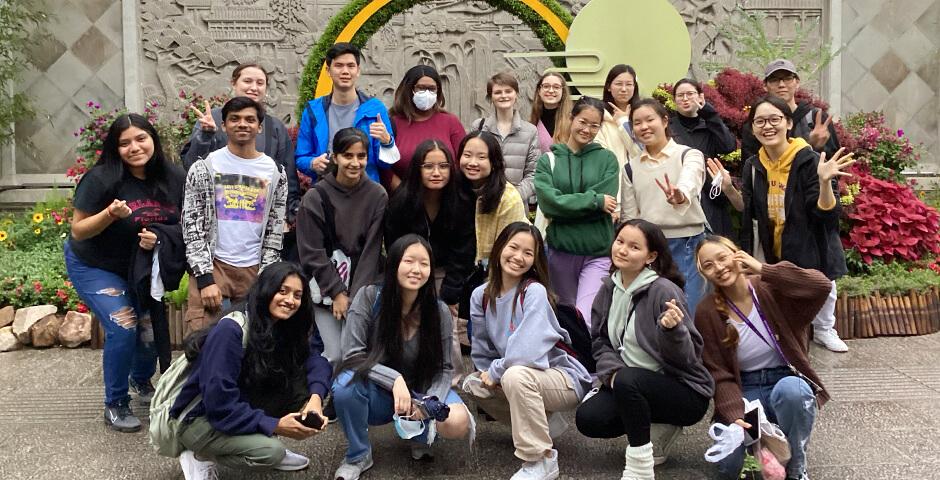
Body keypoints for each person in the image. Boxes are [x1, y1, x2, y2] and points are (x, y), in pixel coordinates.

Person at [65, 113, 186, 432]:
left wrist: (161, 237)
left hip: (142, 267)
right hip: (96, 265)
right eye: (125, 142)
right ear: (115, 148)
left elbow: (184, 223)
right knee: (124, 326)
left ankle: (140, 379)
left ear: (153, 140)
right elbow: (78, 231)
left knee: (147, 331)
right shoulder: (102, 178)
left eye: (141, 138)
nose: (135, 147)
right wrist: (109, 214)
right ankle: (115, 403)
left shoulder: (174, 176)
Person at [575, 219, 713, 480]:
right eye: (620, 242)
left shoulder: (663, 291)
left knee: (629, 379)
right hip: (630, 383)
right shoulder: (609, 288)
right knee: (588, 418)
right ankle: (651, 424)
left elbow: (689, 357)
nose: (623, 250)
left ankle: (639, 467)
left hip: (683, 390)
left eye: (634, 247)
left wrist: (673, 331)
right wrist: (612, 373)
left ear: (650, 256)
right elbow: (601, 342)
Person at [171, 262, 331, 479]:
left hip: (238, 401)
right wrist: (276, 425)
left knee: (300, 383)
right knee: (270, 453)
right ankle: (200, 454)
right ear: (266, 290)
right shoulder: (231, 330)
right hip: (200, 419)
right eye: (282, 291)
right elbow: (219, 404)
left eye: (297, 295)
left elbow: (315, 360)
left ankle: (254, 439)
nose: (289, 300)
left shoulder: (285, 325)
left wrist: (315, 399)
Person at [331, 235, 472, 480]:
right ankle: (358, 454)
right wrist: (395, 380)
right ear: (394, 263)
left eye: (424, 263)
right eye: (409, 261)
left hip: (420, 393)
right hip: (379, 394)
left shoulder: (438, 312)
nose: (416, 269)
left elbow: (444, 368)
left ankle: (420, 435)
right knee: (344, 386)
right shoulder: (368, 297)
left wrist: (430, 403)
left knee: (457, 421)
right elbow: (353, 354)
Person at [694, 236, 830, 480]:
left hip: (783, 380)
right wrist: (733, 412)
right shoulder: (707, 311)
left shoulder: (770, 289)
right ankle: (769, 442)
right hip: (745, 391)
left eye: (722, 257)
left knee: (794, 392)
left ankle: (797, 465)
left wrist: (764, 269)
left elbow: (820, 286)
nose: (719, 267)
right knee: (730, 467)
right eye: (708, 265)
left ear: (737, 254)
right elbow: (717, 372)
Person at [466, 222, 592, 480]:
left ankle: (540, 459)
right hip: (521, 374)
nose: (518, 257)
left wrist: (497, 371)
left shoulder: (534, 291)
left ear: (535, 260)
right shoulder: (480, 295)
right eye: (513, 247)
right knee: (473, 383)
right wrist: (486, 372)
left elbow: (527, 352)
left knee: (514, 375)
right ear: (500, 247)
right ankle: (545, 425)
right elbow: (481, 351)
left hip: (562, 377)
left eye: (528, 253)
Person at [741, 95, 855, 353]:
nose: (767, 126)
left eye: (774, 119)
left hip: (808, 237)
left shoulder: (809, 160)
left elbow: (827, 213)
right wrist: (727, 189)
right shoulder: (753, 165)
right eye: (760, 121)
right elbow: (750, 210)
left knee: (821, 283)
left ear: (789, 123)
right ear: (752, 128)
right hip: (775, 239)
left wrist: (825, 182)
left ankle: (825, 330)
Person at [182, 96, 288, 335]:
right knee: (201, 345)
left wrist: (265, 278)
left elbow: (274, 229)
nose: (243, 124)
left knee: (252, 348)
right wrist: (205, 278)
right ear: (224, 125)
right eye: (235, 119)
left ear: (259, 127)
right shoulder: (204, 167)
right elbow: (192, 225)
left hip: (254, 269)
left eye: (250, 119)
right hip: (215, 265)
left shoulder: (275, 173)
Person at [296, 127, 388, 370]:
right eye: (348, 156)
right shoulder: (315, 197)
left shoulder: (377, 195)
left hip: (363, 288)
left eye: (361, 156)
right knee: (335, 355)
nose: (355, 163)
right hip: (325, 289)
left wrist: (356, 299)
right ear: (335, 157)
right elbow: (311, 252)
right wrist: (337, 292)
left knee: (358, 354)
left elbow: (372, 249)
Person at [385, 140, 476, 379]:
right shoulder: (401, 201)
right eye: (429, 166)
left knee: (446, 323)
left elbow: (464, 251)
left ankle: (451, 384)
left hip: (446, 274)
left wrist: (451, 292)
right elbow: (394, 246)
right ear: (417, 168)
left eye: (443, 166)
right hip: (408, 271)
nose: (437, 173)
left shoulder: (462, 200)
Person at [181, 63, 301, 243]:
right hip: (218, 217)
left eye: (260, 83)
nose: (254, 87)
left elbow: (287, 174)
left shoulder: (274, 127)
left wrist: (288, 216)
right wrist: (205, 136)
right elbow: (191, 165)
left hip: (260, 218)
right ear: (234, 83)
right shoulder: (211, 119)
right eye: (248, 81)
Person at [535, 96, 619, 323]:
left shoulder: (607, 159)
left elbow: (608, 198)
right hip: (560, 251)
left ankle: (589, 359)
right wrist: (595, 202)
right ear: (571, 119)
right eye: (583, 122)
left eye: (594, 125)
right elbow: (549, 204)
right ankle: (572, 359)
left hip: (598, 252)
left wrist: (566, 204)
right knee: (564, 316)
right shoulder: (549, 160)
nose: (587, 129)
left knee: (585, 315)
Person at [620, 98, 708, 316]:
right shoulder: (631, 168)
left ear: (665, 121)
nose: (644, 127)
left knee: (687, 311)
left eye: (650, 119)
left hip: (687, 245)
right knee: (653, 312)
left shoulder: (689, 155)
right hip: (649, 250)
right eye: (637, 123)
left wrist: (680, 194)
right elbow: (631, 219)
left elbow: (691, 179)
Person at [294, 42, 399, 183]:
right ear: (328, 70)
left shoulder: (375, 109)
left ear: (358, 70)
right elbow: (301, 157)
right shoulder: (313, 110)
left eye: (351, 66)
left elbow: (385, 164)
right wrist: (312, 163)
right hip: (326, 189)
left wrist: (387, 142)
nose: (345, 71)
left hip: (366, 191)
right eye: (338, 66)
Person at [668, 78, 740, 237]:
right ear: (674, 100)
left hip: (710, 194)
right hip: (683, 192)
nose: (685, 99)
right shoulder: (668, 128)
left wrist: (710, 115)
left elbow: (728, 147)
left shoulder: (710, 123)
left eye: (690, 94)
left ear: (701, 97)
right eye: (680, 95)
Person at [741, 59, 841, 165]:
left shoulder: (816, 118)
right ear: (765, 85)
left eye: (787, 78)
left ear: (797, 82)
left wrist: (818, 147)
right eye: (774, 80)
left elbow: (834, 164)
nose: (781, 84)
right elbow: (750, 167)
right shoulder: (757, 123)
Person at [385, 64, 466, 190]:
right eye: (421, 88)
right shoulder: (392, 123)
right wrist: (402, 194)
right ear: (409, 89)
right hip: (403, 199)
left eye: (432, 88)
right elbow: (384, 166)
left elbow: (462, 161)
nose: (427, 93)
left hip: (445, 199)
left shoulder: (451, 122)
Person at [458, 130, 529, 264]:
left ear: (494, 162)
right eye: (467, 155)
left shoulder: (508, 198)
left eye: (481, 157)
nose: (472, 162)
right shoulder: (454, 188)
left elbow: (507, 251)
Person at [471, 72, 541, 205]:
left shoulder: (530, 131)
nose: (503, 96)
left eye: (508, 91)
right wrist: (486, 194)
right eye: (498, 92)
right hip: (483, 203)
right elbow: (471, 166)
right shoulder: (479, 127)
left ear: (516, 94)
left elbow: (534, 174)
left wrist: (512, 197)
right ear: (490, 97)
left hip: (516, 205)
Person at [594, 64, 643, 204]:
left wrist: (624, 123)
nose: (624, 89)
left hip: (640, 192)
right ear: (609, 87)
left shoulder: (643, 118)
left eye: (629, 84)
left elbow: (642, 153)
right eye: (618, 84)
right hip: (611, 194)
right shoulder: (599, 118)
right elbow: (601, 159)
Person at [529, 72, 572, 153]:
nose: (551, 90)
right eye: (546, 86)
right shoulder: (532, 122)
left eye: (556, 87)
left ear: (563, 92)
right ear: (539, 90)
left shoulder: (572, 121)